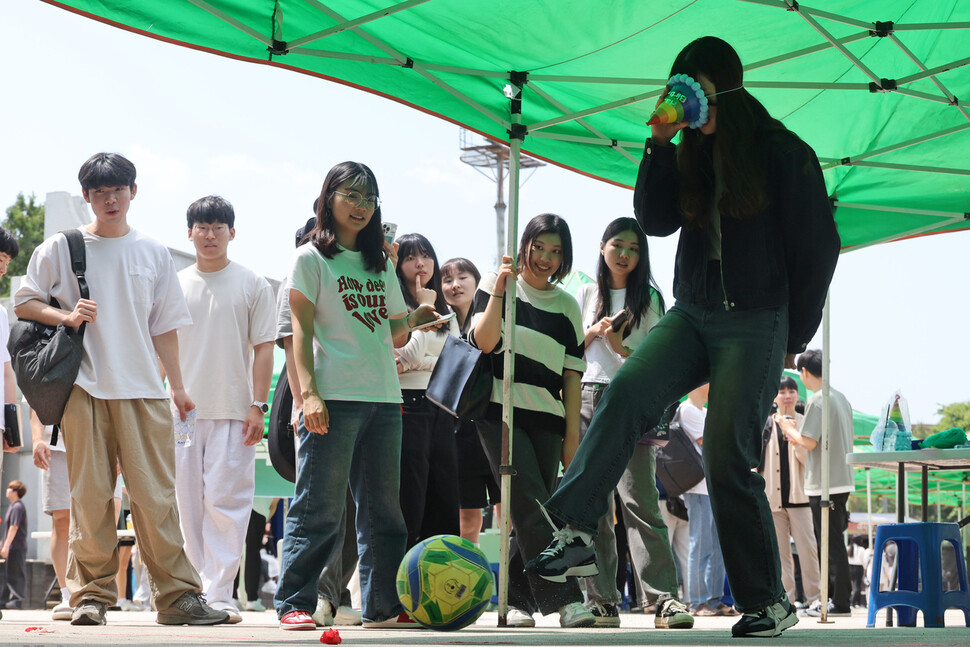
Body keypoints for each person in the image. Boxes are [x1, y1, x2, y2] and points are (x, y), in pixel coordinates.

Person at [527, 36, 840, 639]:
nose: (682, 98)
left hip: (758, 316)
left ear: (720, 86)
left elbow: (817, 247)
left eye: (690, 87)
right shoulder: (688, 149)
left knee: (727, 453)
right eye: (676, 88)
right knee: (625, 394)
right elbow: (655, 220)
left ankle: (767, 600)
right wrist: (659, 143)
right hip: (694, 310)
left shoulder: (782, 151)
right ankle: (572, 532)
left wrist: (791, 336)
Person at [14, 152, 228, 626]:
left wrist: (177, 386)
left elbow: (165, 326)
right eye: (100, 191)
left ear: (134, 192)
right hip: (82, 390)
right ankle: (90, 596)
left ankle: (177, 599)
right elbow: (25, 301)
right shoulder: (60, 247)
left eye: (119, 189)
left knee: (155, 498)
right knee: (90, 499)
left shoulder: (152, 251)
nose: (110, 199)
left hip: (145, 391)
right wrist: (65, 316)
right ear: (87, 195)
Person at [274, 161, 438, 631]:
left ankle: (383, 606)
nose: (361, 206)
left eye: (369, 198)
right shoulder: (310, 259)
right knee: (318, 508)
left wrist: (417, 319)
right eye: (351, 195)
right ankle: (294, 602)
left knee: (385, 513)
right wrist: (308, 396)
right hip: (332, 397)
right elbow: (298, 334)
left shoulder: (381, 262)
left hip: (385, 399)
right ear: (329, 199)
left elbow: (392, 332)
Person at [469, 213, 595, 629]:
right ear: (524, 245)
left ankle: (517, 598)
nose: (545, 257)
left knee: (532, 507)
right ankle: (565, 599)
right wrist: (501, 291)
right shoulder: (498, 283)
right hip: (499, 411)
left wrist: (572, 434)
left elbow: (572, 376)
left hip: (549, 418)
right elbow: (484, 343)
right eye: (539, 247)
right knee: (530, 502)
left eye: (556, 251)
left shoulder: (567, 306)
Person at [574, 217, 692, 629]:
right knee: (595, 506)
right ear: (602, 246)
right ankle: (602, 599)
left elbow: (655, 360)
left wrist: (619, 346)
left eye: (634, 248)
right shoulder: (586, 292)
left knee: (640, 500)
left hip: (631, 397)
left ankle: (663, 599)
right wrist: (593, 333)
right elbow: (572, 351)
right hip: (588, 395)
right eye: (618, 245)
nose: (625, 254)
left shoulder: (652, 299)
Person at [174, 195, 276, 624]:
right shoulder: (174, 283)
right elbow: (158, 346)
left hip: (236, 411)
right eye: (202, 226)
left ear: (232, 232)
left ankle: (220, 592)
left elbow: (264, 349)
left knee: (227, 502)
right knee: (186, 504)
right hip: (181, 412)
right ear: (190, 233)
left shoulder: (252, 283)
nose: (210, 234)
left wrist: (258, 406)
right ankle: (194, 588)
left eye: (218, 227)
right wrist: (171, 393)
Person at [276, 214, 361, 628]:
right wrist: (300, 402)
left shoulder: (350, 273)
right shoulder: (300, 272)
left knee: (346, 508)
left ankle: (334, 594)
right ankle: (300, 598)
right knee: (316, 507)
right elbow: (293, 344)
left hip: (353, 403)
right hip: (313, 407)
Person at [394, 233, 460, 547]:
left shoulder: (446, 311)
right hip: (407, 405)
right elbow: (404, 356)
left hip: (441, 405)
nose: (420, 263)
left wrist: (414, 363)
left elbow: (454, 361)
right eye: (410, 257)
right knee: (411, 493)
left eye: (425, 255)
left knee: (444, 494)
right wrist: (422, 308)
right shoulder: (396, 305)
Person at [440, 258, 501, 545]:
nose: (455, 285)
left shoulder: (494, 314)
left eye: (462, 277)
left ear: (477, 282)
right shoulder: (438, 323)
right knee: (468, 519)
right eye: (447, 279)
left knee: (509, 511)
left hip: (496, 422)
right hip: (459, 431)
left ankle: (514, 586)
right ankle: (468, 585)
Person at [791, 349, 854, 617]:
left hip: (824, 482)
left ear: (804, 372)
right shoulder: (841, 397)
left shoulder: (818, 400)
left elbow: (809, 441)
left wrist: (788, 428)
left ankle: (839, 602)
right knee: (834, 542)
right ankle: (838, 600)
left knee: (830, 544)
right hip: (842, 479)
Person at [759, 376, 820, 608]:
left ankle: (815, 598)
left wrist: (794, 436)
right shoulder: (765, 424)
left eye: (791, 391)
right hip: (773, 499)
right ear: (775, 397)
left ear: (797, 395)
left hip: (801, 497)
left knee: (808, 550)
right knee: (781, 555)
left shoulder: (805, 422)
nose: (786, 395)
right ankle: (787, 600)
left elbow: (809, 459)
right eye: (782, 391)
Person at [676, 385, 732, 617]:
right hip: (696, 486)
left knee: (717, 546)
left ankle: (714, 598)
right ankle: (697, 602)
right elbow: (711, 442)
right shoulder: (687, 409)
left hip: (712, 486)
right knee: (700, 545)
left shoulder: (705, 412)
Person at [30, 412, 74, 620]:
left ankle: (92, 592)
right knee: (61, 519)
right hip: (55, 444)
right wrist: (37, 439)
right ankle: (67, 594)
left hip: (96, 439)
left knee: (99, 518)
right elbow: (33, 401)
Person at [0, 481, 27, 610]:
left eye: (9, 488)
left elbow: (14, 527)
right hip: (10, 546)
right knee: (7, 574)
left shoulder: (17, 507)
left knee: (16, 574)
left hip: (16, 546)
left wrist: (6, 546)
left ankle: (17, 600)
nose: (7, 490)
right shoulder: (12, 506)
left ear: (15, 492)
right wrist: (3, 544)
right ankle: (4, 600)